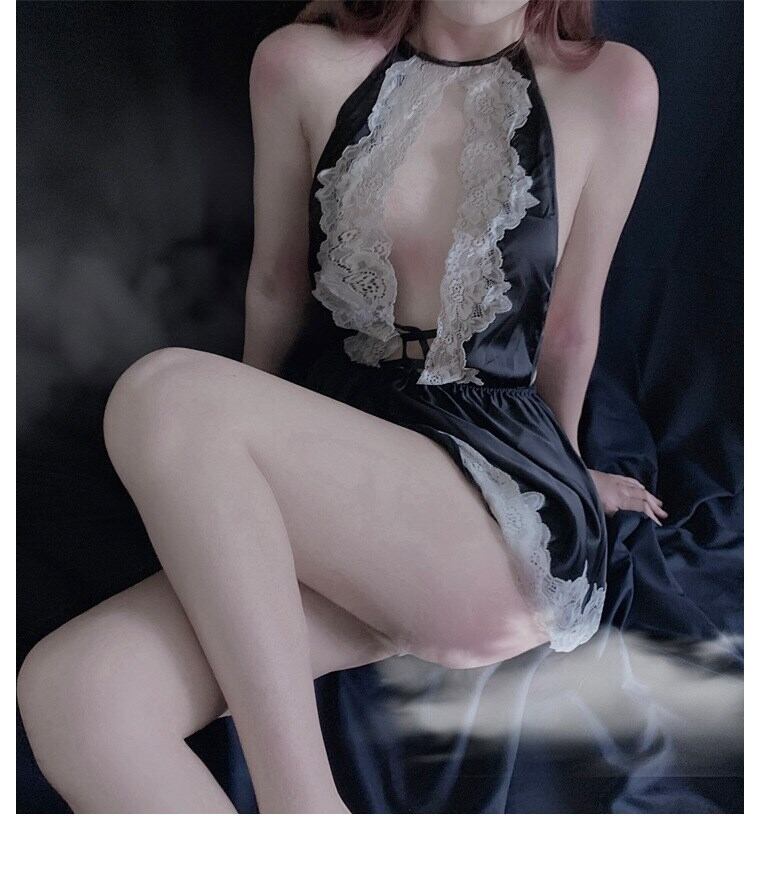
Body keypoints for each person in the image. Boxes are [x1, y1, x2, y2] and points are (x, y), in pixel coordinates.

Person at [17, 0, 662, 814]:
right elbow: (275, 287)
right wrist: (221, 474)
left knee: (164, 393)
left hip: (495, 497)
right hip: (349, 480)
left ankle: (308, 815)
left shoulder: (613, 85)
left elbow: (569, 328)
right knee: (73, 693)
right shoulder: (298, 65)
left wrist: (572, 473)